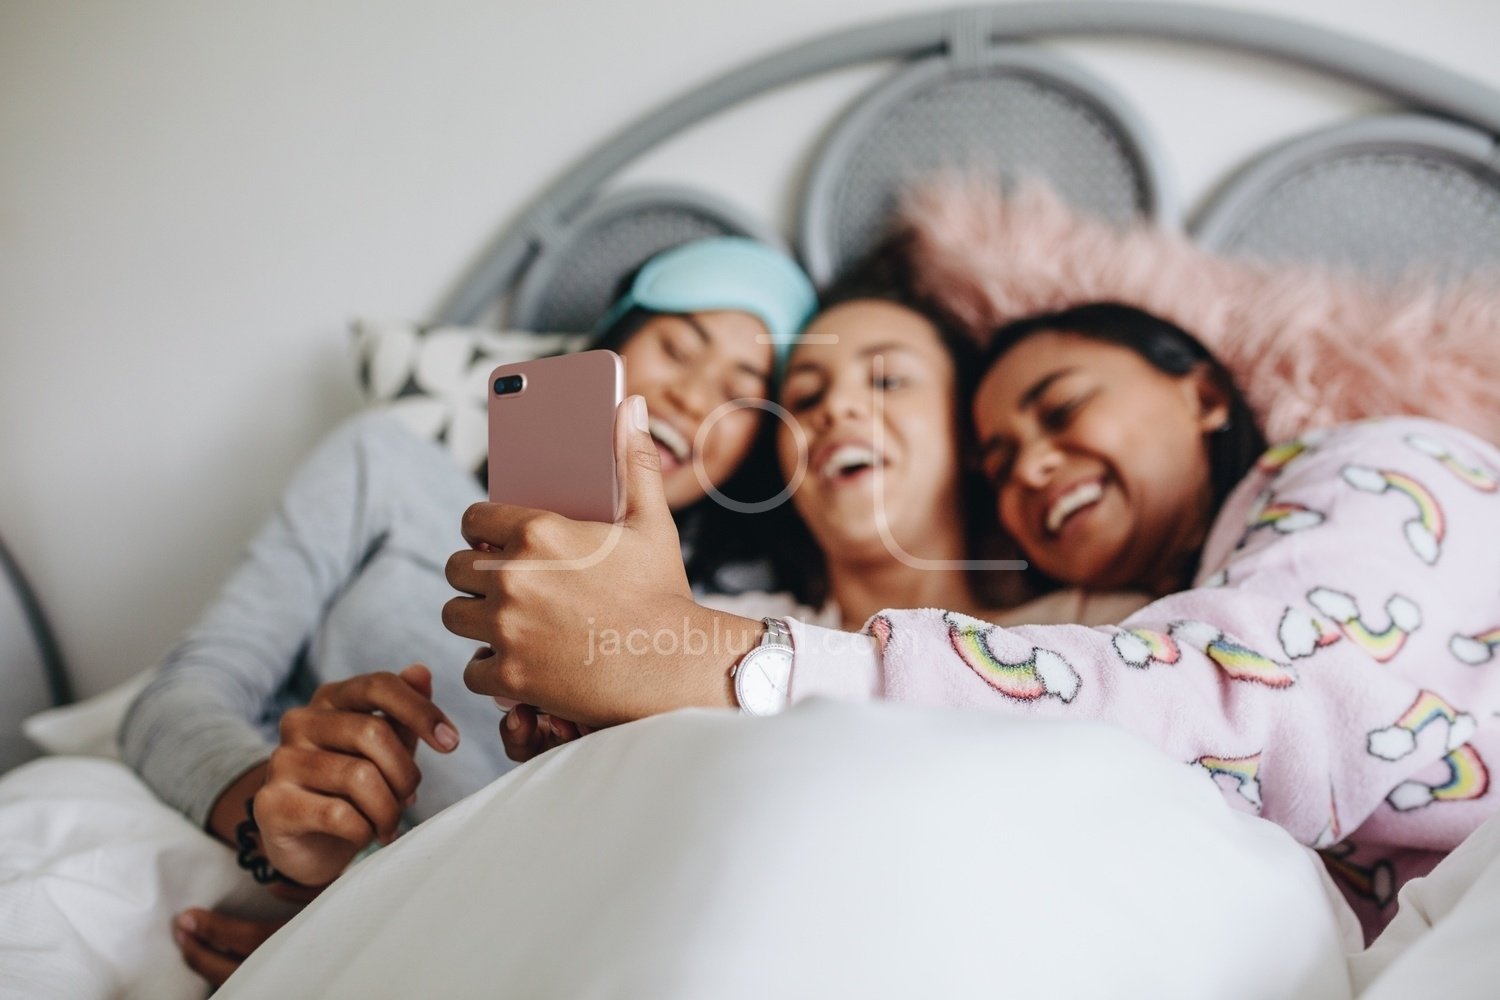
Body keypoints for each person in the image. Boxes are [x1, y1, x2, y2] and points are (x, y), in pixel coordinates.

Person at [446, 301, 1500, 939]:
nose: (1031, 468)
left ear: (1203, 391)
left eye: (1060, 406)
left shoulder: (1379, 466)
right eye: (999, 455)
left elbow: (1260, 693)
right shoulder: (1190, 605)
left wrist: (703, 657)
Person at [119, 235, 817, 984]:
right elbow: (179, 695)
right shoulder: (384, 468)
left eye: (741, 388)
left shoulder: (727, 637)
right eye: (678, 345)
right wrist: (279, 834)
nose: (693, 396)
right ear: (610, 345)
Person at [499, 251, 1147, 761]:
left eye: (889, 379)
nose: (835, 407)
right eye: (804, 398)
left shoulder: (1111, 637)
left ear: (970, 433)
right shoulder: (697, 625)